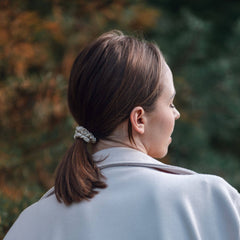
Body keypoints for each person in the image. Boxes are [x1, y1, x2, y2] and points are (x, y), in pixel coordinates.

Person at [4, 30, 240, 240]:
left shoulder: (31, 222)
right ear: (138, 119)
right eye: (170, 103)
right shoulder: (211, 201)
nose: (176, 114)